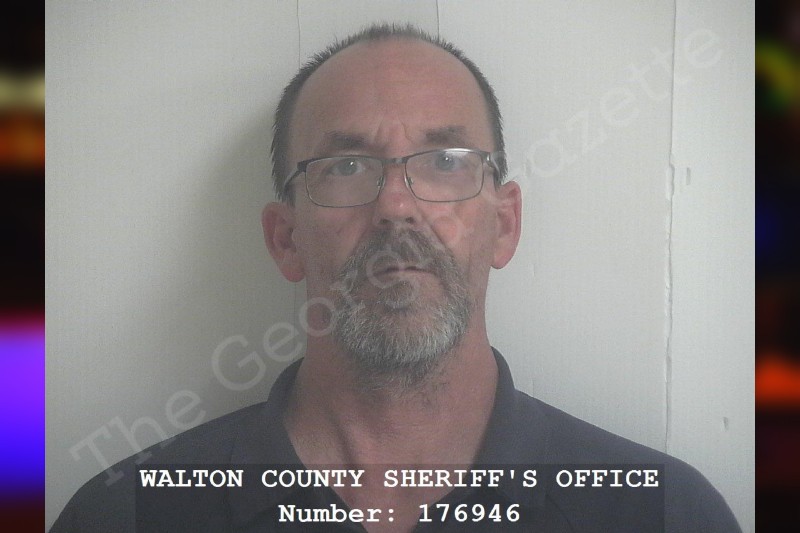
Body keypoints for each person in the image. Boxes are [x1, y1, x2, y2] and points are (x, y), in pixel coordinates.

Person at [50, 24, 741, 532]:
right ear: (285, 239)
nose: (396, 207)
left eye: (445, 161)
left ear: (504, 224)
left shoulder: (662, 513)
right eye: (346, 167)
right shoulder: (127, 515)